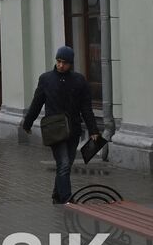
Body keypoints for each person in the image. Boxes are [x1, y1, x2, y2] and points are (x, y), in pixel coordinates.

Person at [22, 45, 102, 204]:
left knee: (65, 165)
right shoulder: (46, 79)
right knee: (64, 164)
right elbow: (37, 103)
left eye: (64, 62)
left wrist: (93, 130)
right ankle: (67, 199)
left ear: (71, 63)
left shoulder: (79, 80)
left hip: (73, 130)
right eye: (58, 61)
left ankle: (57, 194)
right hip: (54, 130)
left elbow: (86, 108)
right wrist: (27, 123)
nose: (60, 65)